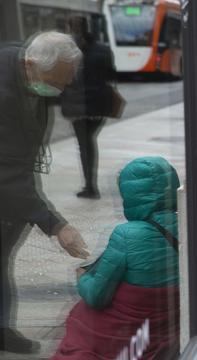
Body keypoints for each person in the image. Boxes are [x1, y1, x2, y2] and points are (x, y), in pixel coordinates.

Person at [0, 32, 89, 354]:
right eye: (57, 81)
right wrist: (55, 225)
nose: (60, 90)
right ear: (31, 64)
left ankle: (1, 330)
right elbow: (5, 175)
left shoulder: (25, 69)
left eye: (65, 83)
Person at [51, 157, 180, 360]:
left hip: (130, 330)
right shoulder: (190, 224)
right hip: (167, 325)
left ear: (131, 196)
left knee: (81, 318)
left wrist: (83, 279)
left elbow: (97, 296)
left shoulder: (126, 234)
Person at [61, 17, 117, 200]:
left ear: (71, 28)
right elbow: (111, 74)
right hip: (99, 106)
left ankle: (90, 186)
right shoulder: (103, 49)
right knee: (88, 142)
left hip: (79, 106)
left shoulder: (69, 51)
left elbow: (65, 79)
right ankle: (90, 185)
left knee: (85, 145)